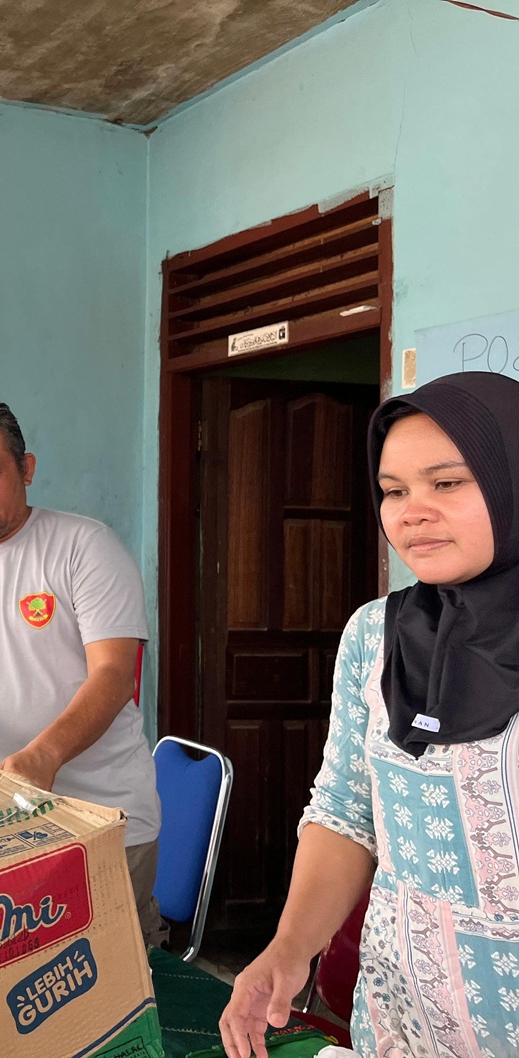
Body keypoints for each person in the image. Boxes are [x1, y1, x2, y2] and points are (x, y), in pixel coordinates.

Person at [221, 371, 519, 1058]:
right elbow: (346, 810)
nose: (412, 512)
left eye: (446, 483)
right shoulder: (373, 635)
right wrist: (289, 947)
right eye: (393, 491)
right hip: (399, 1018)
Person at [0, 398, 164, 944]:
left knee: (105, 978)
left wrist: (44, 755)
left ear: (26, 469)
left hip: (100, 817)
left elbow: (114, 674)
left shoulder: (85, 547)